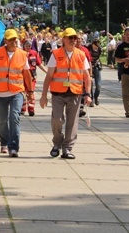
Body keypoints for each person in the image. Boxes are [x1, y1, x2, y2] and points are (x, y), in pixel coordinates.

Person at [39, 27, 92, 159]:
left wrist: (88, 94)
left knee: (72, 122)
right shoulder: (56, 54)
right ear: (64, 39)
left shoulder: (81, 55)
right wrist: (44, 95)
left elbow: (87, 77)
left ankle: (67, 149)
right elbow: (49, 76)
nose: (73, 40)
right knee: (57, 119)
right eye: (70, 38)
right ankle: (57, 143)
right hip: (58, 93)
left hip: (75, 92)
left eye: (75, 38)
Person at [0, 29, 32, 157]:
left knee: (14, 117)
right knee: (2, 120)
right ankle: (4, 142)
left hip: (17, 91)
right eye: (10, 39)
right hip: (1, 93)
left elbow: (26, 74)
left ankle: (14, 147)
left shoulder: (22, 54)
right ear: (5, 41)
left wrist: (31, 91)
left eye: (15, 39)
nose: (13, 41)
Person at [22, 39, 46, 116]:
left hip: (32, 76)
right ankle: (22, 108)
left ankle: (31, 109)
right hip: (23, 75)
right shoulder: (21, 53)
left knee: (31, 91)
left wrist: (46, 71)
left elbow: (39, 64)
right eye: (26, 46)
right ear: (24, 46)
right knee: (23, 92)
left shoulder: (34, 53)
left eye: (29, 46)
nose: (28, 47)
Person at [86, 38, 103, 105]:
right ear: (93, 44)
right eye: (96, 45)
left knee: (98, 85)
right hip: (89, 67)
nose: (97, 46)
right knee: (90, 84)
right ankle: (91, 99)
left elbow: (98, 57)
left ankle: (96, 96)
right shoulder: (88, 48)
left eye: (98, 45)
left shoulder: (99, 49)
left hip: (96, 67)